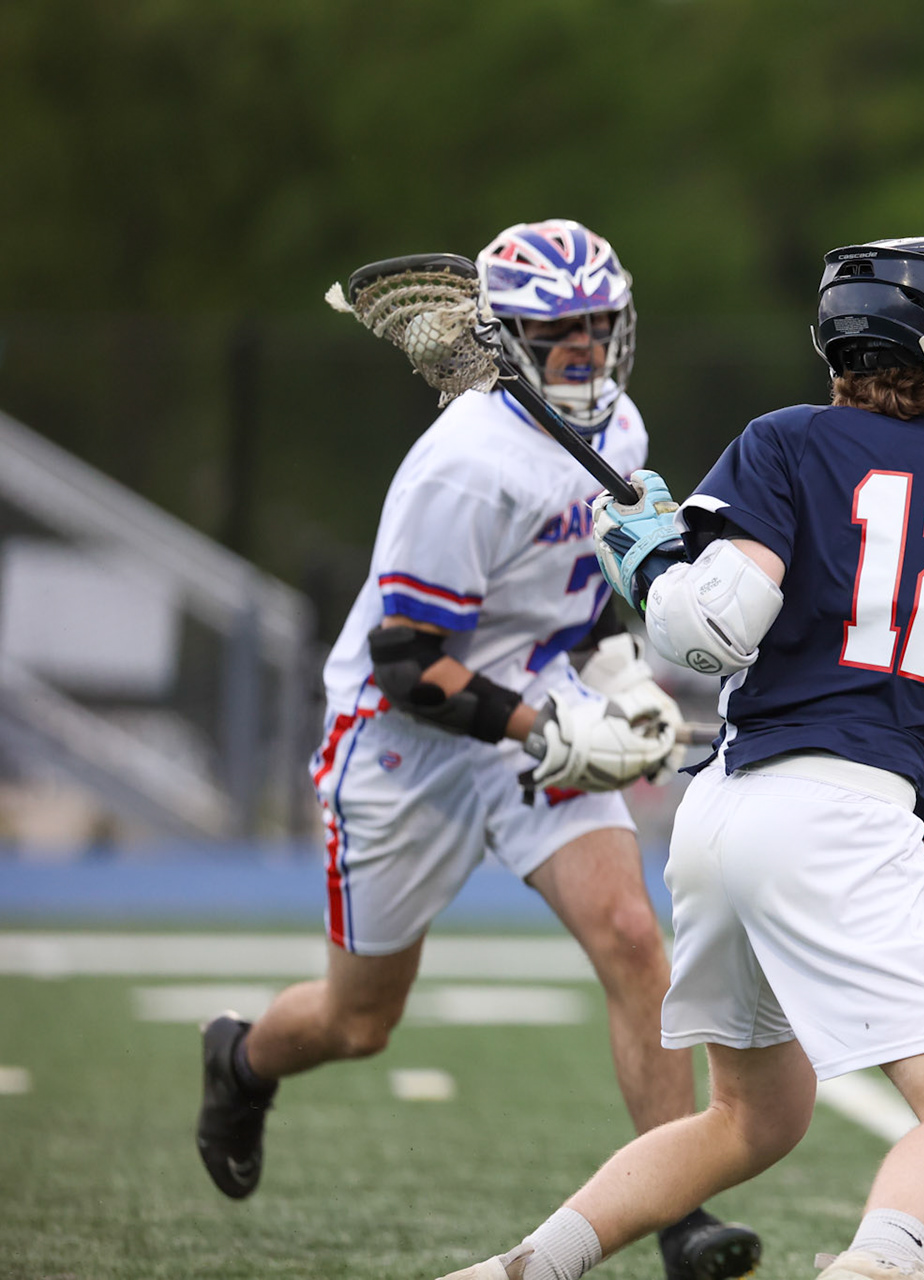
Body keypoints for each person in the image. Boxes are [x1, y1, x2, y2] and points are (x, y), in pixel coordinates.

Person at [432, 235, 924, 1280]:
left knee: (752, 1115)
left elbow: (707, 633)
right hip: (841, 816)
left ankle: (522, 1268)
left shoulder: (791, 440)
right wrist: (678, 572)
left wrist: (652, 562)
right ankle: (874, 1267)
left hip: (723, 812)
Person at [194, 219, 761, 1280]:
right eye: (557, 331)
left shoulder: (619, 433)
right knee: (360, 1019)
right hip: (405, 740)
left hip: (525, 700)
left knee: (637, 944)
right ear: (505, 341)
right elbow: (411, 661)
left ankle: (677, 1209)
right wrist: (547, 728)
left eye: (598, 323)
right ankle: (241, 1056)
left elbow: (583, 604)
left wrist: (620, 681)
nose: (585, 350)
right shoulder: (461, 466)